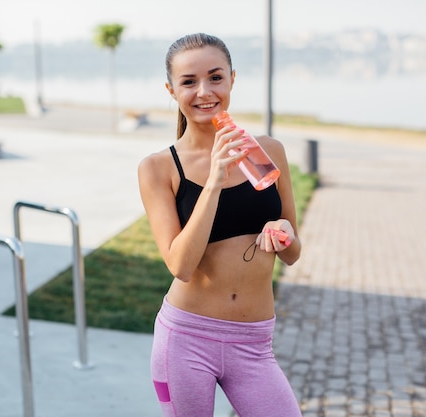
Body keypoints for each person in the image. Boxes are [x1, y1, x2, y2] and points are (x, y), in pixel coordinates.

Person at [137, 33, 302, 417]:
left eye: (215, 77)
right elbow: (180, 265)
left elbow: (294, 253)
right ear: (171, 89)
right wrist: (214, 179)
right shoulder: (159, 168)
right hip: (186, 341)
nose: (204, 91)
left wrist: (285, 235)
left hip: (254, 343)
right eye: (189, 82)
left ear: (232, 79)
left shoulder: (268, 151)